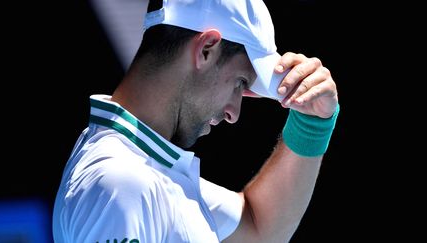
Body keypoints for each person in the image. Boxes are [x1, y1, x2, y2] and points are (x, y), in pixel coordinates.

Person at [52, 0, 340, 242]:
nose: (234, 113)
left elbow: (260, 227)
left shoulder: (139, 170)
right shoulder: (123, 181)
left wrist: (311, 123)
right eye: (240, 83)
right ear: (206, 49)